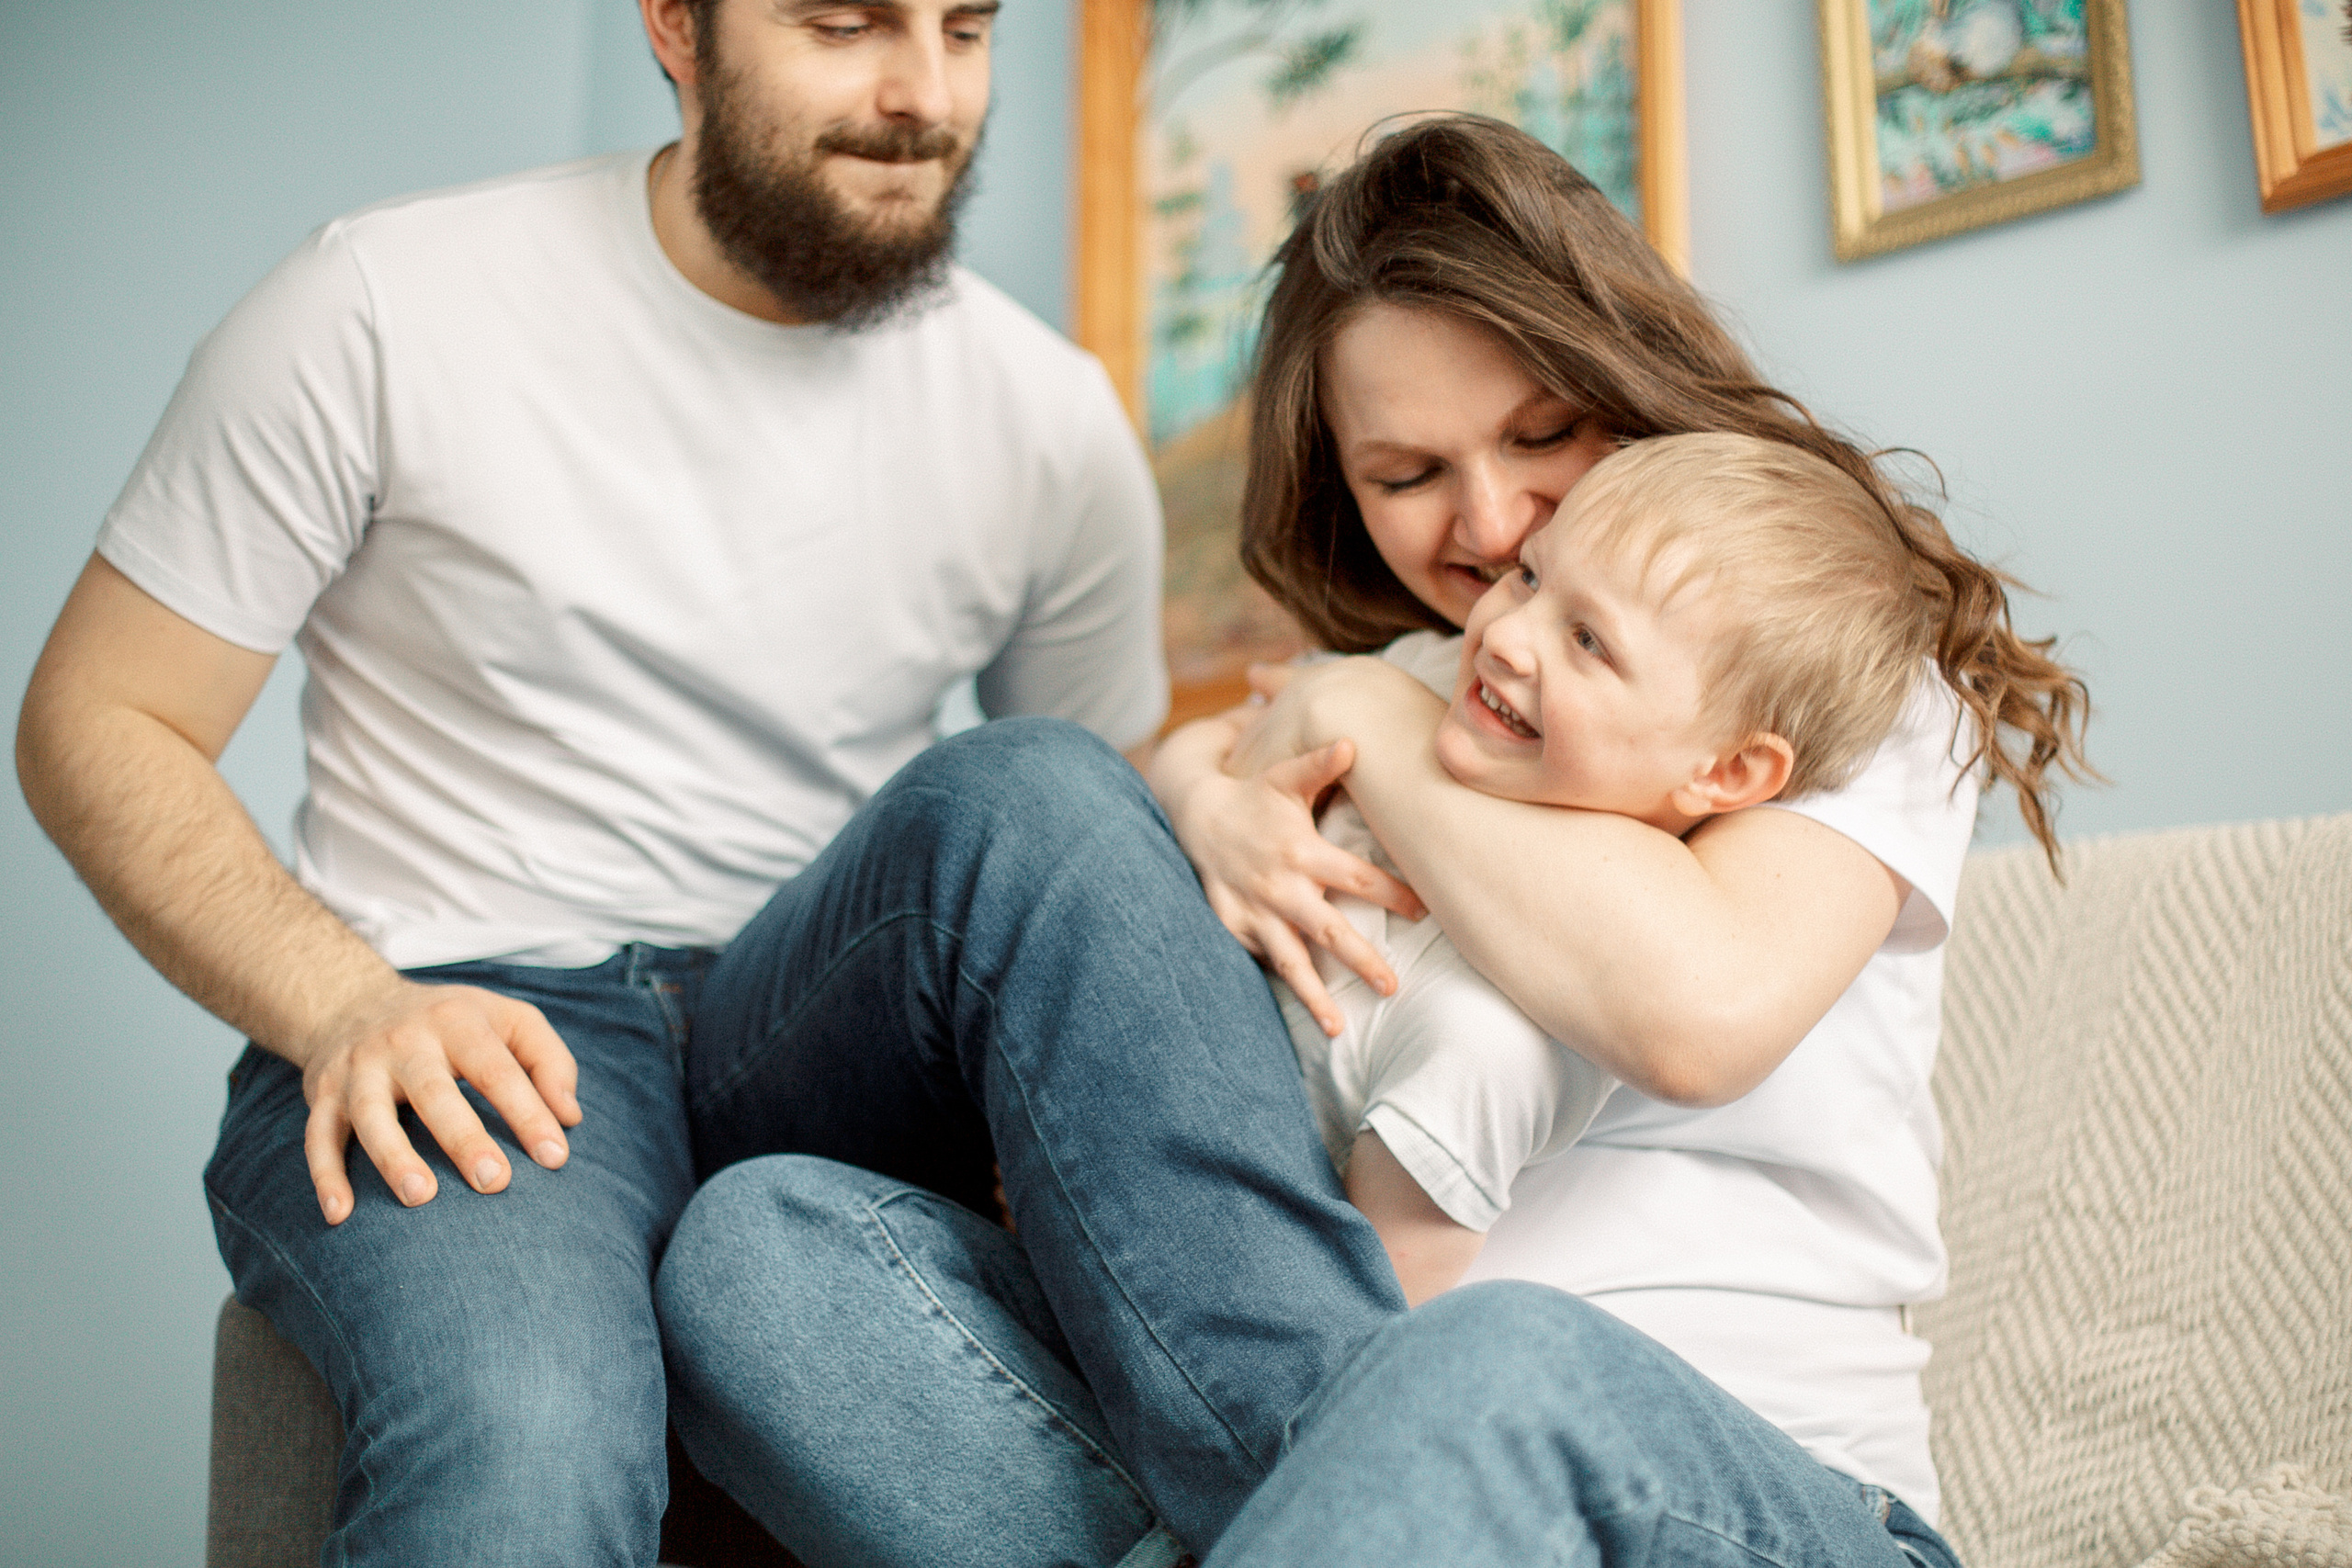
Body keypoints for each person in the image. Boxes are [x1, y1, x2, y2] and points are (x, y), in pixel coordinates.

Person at [654, 114, 2089, 1568]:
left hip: (1730, 1493)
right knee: (763, 1251)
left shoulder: (1838, 672)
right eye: (1407, 476)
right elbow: (1180, 794)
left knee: (1493, 1355)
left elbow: (1700, 1006)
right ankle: (1294, 1499)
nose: (1486, 523)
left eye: (1542, 435)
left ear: (1624, 378)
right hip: (1316, 1439)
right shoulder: (1447, 672)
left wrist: (1370, 720)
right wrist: (1204, 792)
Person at [8, 0, 1295, 1561]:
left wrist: (1230, 786)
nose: (924, 96)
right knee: (530, 1440)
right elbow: (100, 715)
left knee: (1037, 785)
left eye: (966, 29)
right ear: (677, 27)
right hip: (466, 1009)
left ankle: (1349, 1502)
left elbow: (1076, 861)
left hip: (812, 1026)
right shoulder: (381, 303)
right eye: (847, 23)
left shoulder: (1049, 416)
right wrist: (345, 1004)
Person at [1281, 430, 1963, 1307]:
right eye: (1529, 575)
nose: (1504, 635)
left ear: (1723, 773)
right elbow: (1229, 736)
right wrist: (1208, 794)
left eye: (1590, 642)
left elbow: (1347, 1330)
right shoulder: (1440, 677)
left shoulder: (1498, 1046)